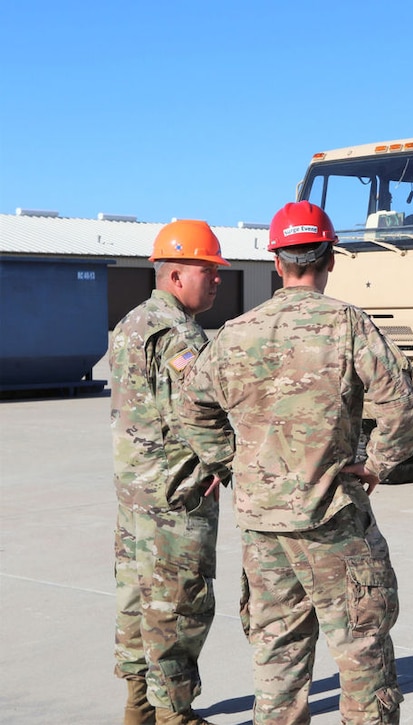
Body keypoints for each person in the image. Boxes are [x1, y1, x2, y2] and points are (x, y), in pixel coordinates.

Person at [176, 201, 413, 724]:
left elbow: (192, 412)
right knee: (361, 655)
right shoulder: (348, 324)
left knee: (277, 661)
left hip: (262, 529)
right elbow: (401, 407)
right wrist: (376, 463)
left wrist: (234, 466)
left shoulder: (235, 334)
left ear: (276, 264)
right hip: (332, 519)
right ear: (329, 258)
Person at [111, 219, 230, 725]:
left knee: (138, 597)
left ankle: (139, 707)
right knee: (179, 604)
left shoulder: (129, 325)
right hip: (177, 494)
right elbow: (201, 415)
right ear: (176, 276)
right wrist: (228, 462)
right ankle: (172, 714)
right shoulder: (180, 336)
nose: (218, 280)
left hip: (134, 493)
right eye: (209, 270)